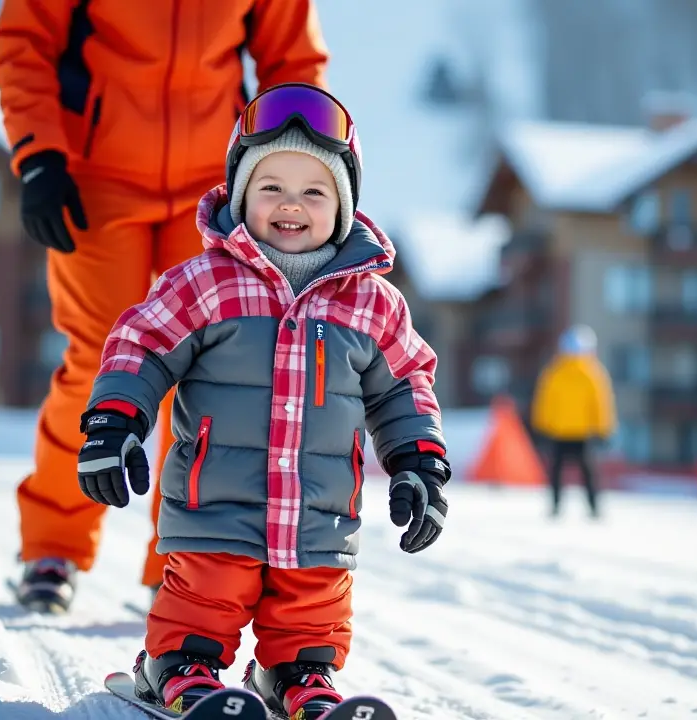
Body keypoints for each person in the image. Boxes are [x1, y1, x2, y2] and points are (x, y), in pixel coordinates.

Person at [72, 83, 452, 718]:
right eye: (270, 186)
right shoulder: (205, 283)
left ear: (345, 204)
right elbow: (140, 345)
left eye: (314, 190)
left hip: (320, 515)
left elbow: (406, 385)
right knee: (204, 598)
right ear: (240, 194)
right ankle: (179, 670)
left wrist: (421, 464)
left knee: (313, 612)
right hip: (215, 504)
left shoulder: (372, 303)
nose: (291, 205)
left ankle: (300, 680)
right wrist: (115, 423)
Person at [0, 0, 331, 612]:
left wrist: (296, 172)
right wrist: (39, 155)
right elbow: (25, 41)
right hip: (96, 175)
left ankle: (178, 560)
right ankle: (53, 548)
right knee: (101, 363)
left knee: (207, 371)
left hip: (217, 181)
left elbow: (293, 63)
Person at [529, 324, 615, 518]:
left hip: (559, 431)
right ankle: (593, 508)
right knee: (588, 473)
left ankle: (556, 506)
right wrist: (603, 428)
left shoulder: (554, 372)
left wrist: (542, 426)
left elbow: (544, 402)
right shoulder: (593, 373)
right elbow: (601, 403)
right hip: (583, 431)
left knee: (557, 471)